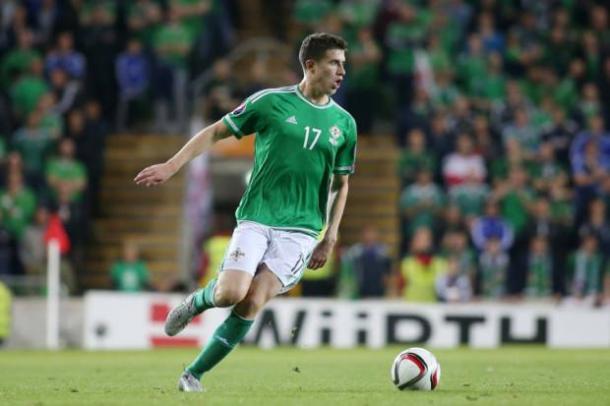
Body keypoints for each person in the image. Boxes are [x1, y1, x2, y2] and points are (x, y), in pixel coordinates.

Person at [134, 33, 356, 392]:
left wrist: (329, 236)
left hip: (301, 231)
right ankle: (197, 301)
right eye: (334, 62)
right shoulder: (270, 103)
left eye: (344, 64)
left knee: (254, 299)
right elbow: (216, 131)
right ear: (311, 65)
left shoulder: (344, 124)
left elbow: (341, 184)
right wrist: (173, 165)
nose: (341, 70)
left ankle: (193, 375)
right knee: (229, 294)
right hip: (257, 217)